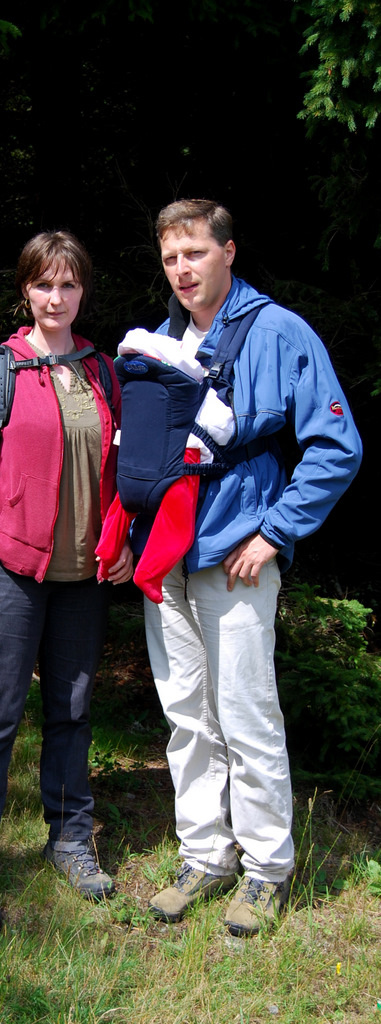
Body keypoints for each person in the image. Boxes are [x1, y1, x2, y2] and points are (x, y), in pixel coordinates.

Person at [130, 200, 362, 936]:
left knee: (245, 713)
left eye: (194, 253)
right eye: (170, 258)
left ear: (228, 252)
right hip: (165, 554)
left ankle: (265, 868)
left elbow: (335, 445)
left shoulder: (277, 331)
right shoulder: (159, 338)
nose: (181, 269)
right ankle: (204, 854)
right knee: (185, 716)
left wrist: (274, 532)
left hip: (236, 552)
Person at [0, 230, 133, 930]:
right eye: (44, 284)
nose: (56, 297)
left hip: (84, 571)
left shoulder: (102, 371)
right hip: (10, 566)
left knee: (73, 710)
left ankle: (70, 840)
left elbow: (122, 471)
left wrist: (121, 541)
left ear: (83, 291)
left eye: (69, 284)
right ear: (25, 289)